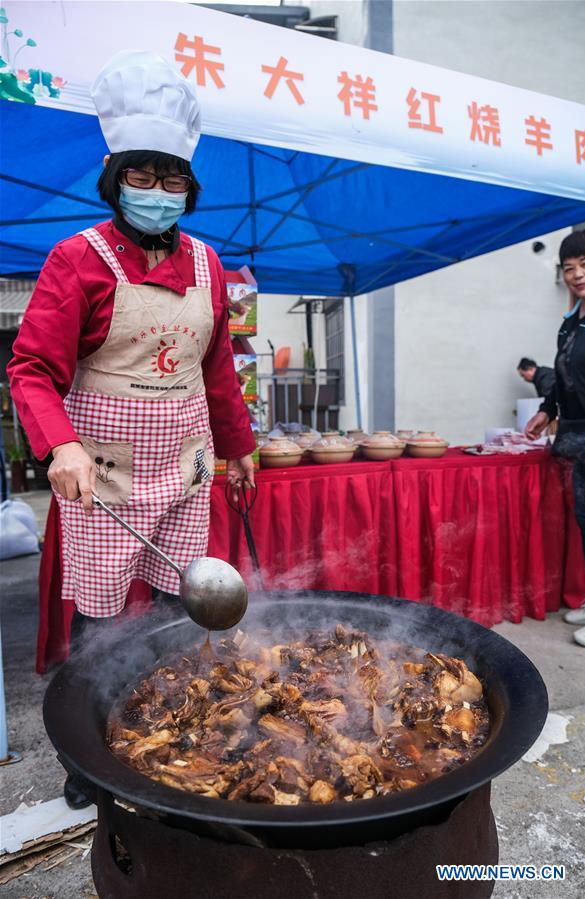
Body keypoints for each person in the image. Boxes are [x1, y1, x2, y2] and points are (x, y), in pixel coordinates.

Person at [8, 51, 256, 804]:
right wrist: (60, 444)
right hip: (104, 477)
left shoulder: (211, 265)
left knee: (189, 608)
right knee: (99, 623)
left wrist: (239, 448)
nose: (157, 192)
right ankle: (88, 759)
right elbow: (31, 370)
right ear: (115, 177)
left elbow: (215, 371)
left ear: (189, 185)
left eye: (171, 177)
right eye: (141, 177)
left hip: (180, 468)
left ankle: (185, 732)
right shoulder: (76, 260)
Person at [525, 229, 585, 649]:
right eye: (569, 268)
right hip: (578, 436)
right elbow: (567, 379)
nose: (577, 274)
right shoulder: (573, 321)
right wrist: (546, 410)